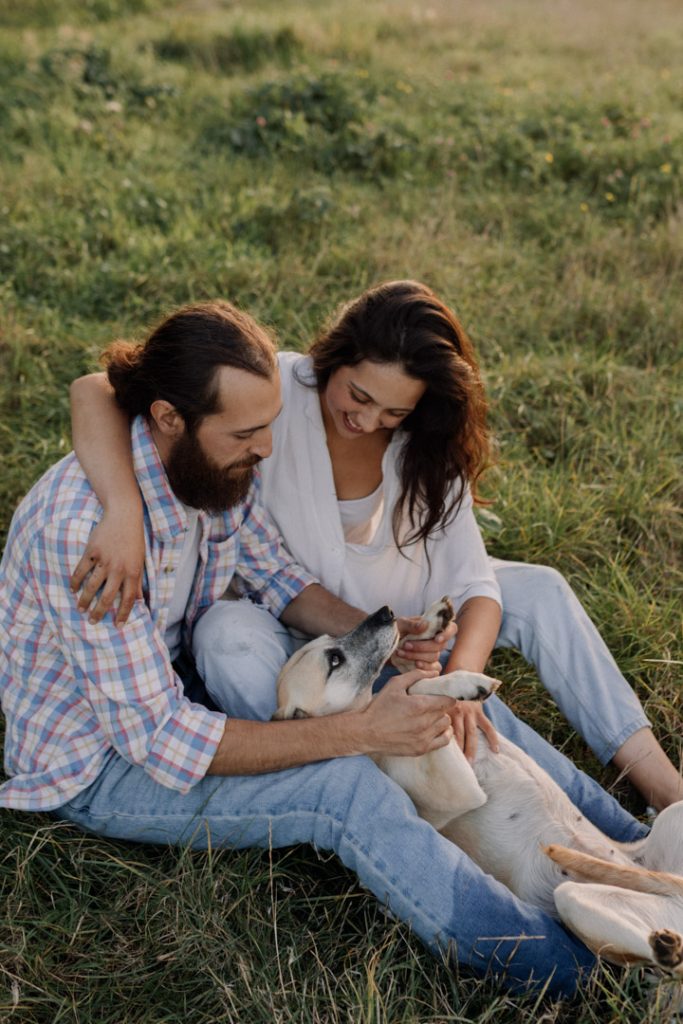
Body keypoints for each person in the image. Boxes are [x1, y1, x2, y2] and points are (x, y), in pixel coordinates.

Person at [0, 300, 653, 997]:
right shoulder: (84, 539)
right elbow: (160, 738)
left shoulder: (208, 469)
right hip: (100, 763)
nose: (268, 448)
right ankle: (577, 974)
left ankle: (639, 851)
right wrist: (355, 733)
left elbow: (277, 575)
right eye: (248, 432)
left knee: (434, 698)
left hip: (166, 688)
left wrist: (388, 640)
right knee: (344, 789)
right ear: (167, 418)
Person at [69, 282, 682, 811]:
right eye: (358, 396)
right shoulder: (274, 388)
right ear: (333, 357)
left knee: (540, 589)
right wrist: (122, 508)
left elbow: (476, 586)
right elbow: (96, 388)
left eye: (391, 411)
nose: (366, 419)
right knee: (223, 636)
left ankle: (660, 787)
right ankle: (347, 775)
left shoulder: (423, 445)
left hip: (400, 609)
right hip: (299, 618)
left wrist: (460, 676)